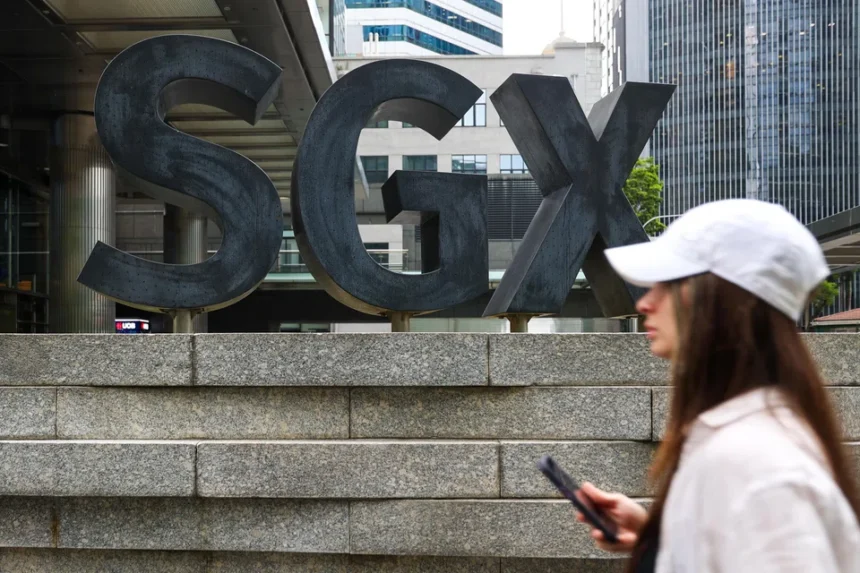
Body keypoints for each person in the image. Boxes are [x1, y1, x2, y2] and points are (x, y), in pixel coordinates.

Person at [576, 199, 860, 572]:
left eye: (670, 282)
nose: (645, 302)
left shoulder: (757, 467)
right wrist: (661, 540)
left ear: (727, 299)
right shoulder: (748, 447)